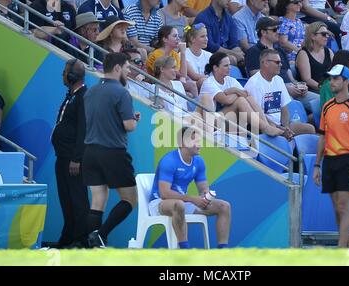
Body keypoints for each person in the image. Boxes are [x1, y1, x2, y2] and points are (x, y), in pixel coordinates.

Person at [82, 53, 140, 248]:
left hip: (90, 151)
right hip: (113, 152)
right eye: (127, 68)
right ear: (116, 68)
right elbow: (129, 125)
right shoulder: (122, 92)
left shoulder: (90, 91)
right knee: (130, 199)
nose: (129, 71)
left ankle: (93, 249)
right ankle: (101, 235)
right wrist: (133, 120)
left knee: (98, 200)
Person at [313, 64, 349, 247]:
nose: (332, 82)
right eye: (330, 78)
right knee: (337, 210)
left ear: (346, 81)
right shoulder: (327, 106)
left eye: (336, 78)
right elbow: (322, 137)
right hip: (330, 161)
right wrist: (317, 165)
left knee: (343, 207)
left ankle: (340, 252)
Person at [149, 126, 231, 249]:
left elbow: (203, 188)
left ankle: (223, 251)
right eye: (195, 141)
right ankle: (185, 249)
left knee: (224, 206)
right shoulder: (169, 160)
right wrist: (193, 199)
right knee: (179, 205)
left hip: (183, 202)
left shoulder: (199, 162)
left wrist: (206, 196)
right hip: (160, 203)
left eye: (200, 141)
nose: (200, 145)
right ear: (183, 143)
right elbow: (164, 194)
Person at [51, 59, 90, 248]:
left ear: (73, 76)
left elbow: (84, 129)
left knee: (78, 199)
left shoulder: (83, 96)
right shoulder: (72, 95)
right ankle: (67, 237)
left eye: (65, 72)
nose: (62, 75)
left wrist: (77, 158)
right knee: (66, 199)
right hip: (63, 156)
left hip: (73, 159)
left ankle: (81, 240)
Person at [200, 52, 284, 136]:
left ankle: (266, 127)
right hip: (212, 123)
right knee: (240, 100)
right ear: (215, 68)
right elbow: (226, 100)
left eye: (229, 65)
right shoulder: (209, 82)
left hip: (231, 119)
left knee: (249, 99)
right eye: (226, 66)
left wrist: (234, 90)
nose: (230, 68)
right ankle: (266, 128)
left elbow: (247, 95)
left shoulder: (230, 80)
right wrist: (237, 92)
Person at [246, 16, 319, 113]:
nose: (278, 32)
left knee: (321, 102)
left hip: (291, 88)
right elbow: (257, 77)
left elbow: (288, 72)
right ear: (263, 32)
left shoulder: (280, 50)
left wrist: (297, 85)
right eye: (274, 30)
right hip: (273, 92)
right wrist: (285, 87)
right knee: (293, 111)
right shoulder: (253, 51)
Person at [244, 49, 315, 137]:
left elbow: (284, 108)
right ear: (265, 63)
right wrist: (279, 129)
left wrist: (285, 127)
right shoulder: (254, 84)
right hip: (265, 127)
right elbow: (257, 115)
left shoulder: (279, 80)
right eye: (277, 62)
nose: (281, 65)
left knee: (309, 129)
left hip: (281, 125)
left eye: (280, 62)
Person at [193, 0, 245, 66]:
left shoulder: (229, 18)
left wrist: (239, 54)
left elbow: (233, 43)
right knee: (231, 59)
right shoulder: (203, 17)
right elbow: (210, 46)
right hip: (206, 55)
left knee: (244, 58)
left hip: (225, 55)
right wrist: (234, 53)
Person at [296, 21, 333, 93]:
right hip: (312, 90)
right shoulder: (303, 54)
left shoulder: (328, 51)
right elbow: (307, 80)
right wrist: (325, 89)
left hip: (327, 88)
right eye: (324, 34)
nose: (327, 36)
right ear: (313, 36)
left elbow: (335, 71)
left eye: (327, 34)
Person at [184, 23, 212, 90]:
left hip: (210, 86)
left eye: (206, 36)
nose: (206, 39)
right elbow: (194, 77)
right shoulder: (183, 54)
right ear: (192, 39)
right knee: (203, 82)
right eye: (202, 36)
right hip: (192, 89)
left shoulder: (209, 55)